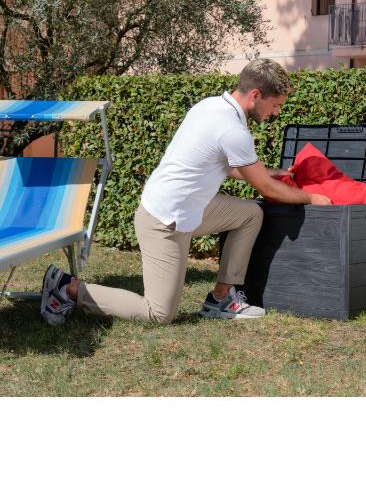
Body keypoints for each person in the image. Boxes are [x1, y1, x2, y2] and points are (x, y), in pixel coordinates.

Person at [40, 59, 331, 326]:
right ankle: (67, 287)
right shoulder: (232, 129)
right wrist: (311, 198)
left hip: (191, 208)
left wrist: (266, 172)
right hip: (163, 221)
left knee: (250, 214)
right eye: (275, 105)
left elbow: (220, 163)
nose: (276, 112)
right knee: (159, 313)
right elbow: (265, 188)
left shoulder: (211, 106)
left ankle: (221, 297)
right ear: (255, 95)